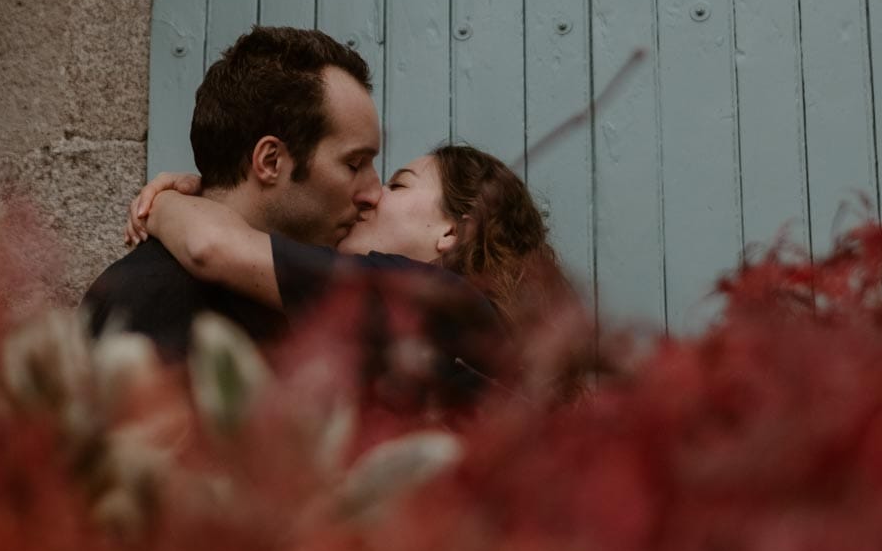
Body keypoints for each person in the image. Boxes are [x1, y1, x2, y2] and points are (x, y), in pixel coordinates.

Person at [126, 142, 566, 400]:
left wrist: (162, 203)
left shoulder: (432, 296)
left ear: (453, 231)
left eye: (398, 185)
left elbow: (211, 246)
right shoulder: (440, 318)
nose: (371, 194)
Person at [80, 25, 383, 360]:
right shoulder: (153, 298)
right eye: (354, 165)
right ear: (270, 161)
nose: (374, 193)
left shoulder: (300, 293)